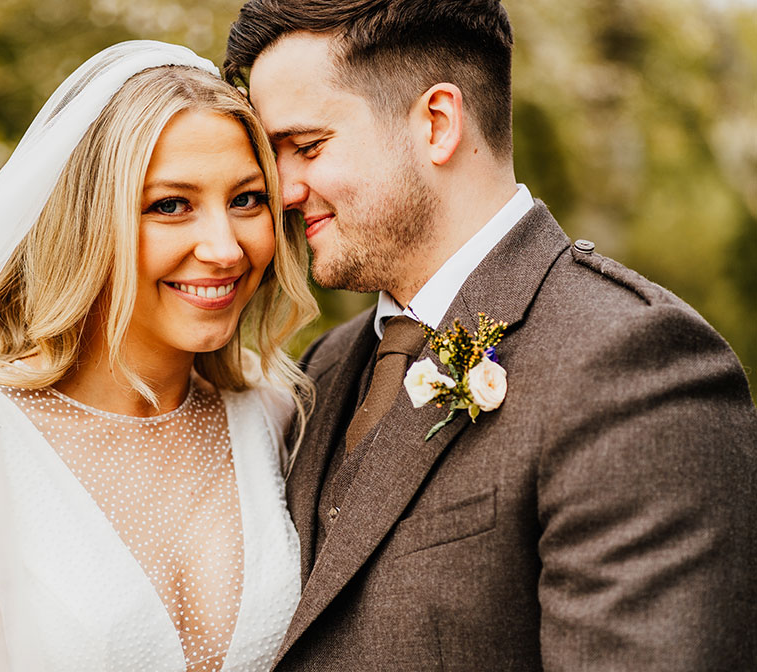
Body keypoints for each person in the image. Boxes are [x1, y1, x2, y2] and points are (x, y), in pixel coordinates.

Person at [224, 1, 757, 670]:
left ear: (436, 123)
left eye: (306, 147)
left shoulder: (636, 366)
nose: (283, 191)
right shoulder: (323, 368)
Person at [0, 41, 317, 671]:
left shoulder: (275, 416)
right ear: (94, 222)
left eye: (246, 200)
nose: (225, 248)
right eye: (171, 205)